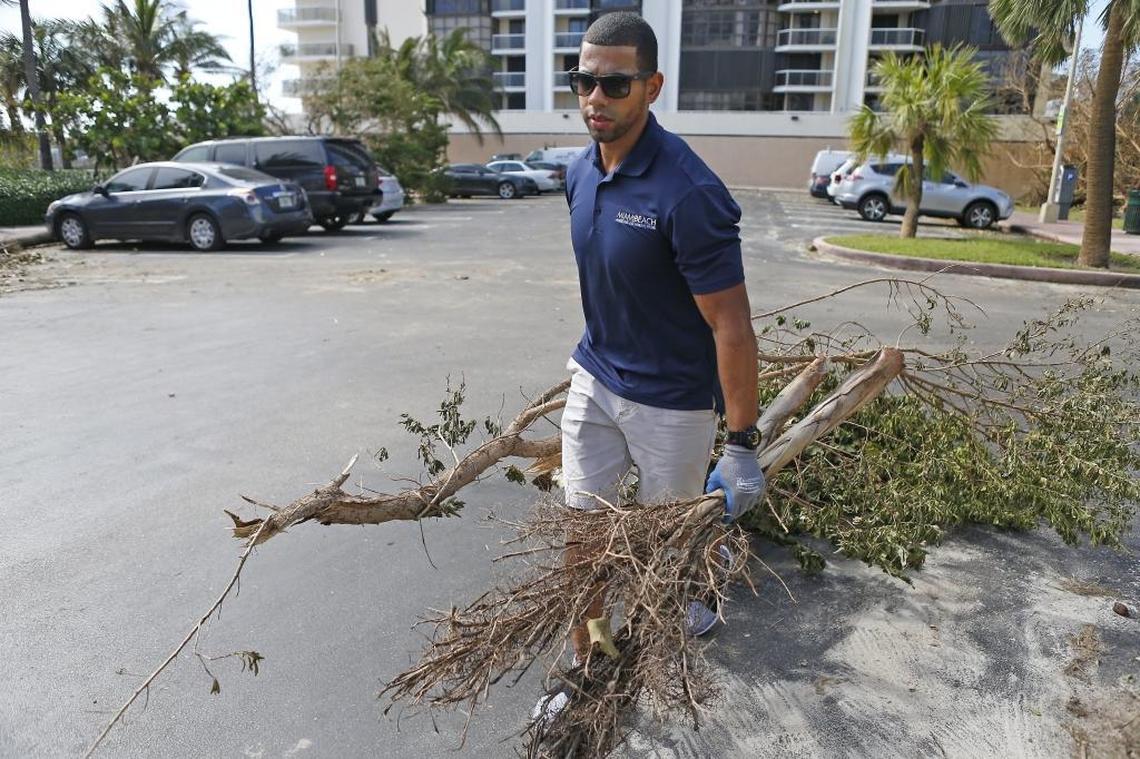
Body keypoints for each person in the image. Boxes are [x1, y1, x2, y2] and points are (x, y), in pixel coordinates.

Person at [534, 12, 766, 724]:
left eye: (614, 83)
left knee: (665, 554)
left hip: (673, 404)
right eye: (583, 81)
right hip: (596, 379)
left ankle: (682, 618)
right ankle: (593, 667)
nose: (595, 97)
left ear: (652, 86)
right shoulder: (579, 171)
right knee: (586, 541)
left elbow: (731, 325)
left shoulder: (688, 193)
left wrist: (742, 444)